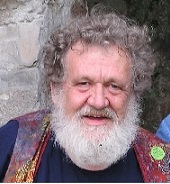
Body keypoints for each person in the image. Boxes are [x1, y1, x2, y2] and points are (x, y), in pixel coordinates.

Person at [0, 6, 170, 183]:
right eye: (83, 84)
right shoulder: (14, 145)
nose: (98, 101)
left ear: (133, 95)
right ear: (56, 91)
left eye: (114, 86)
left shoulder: (162, 167)